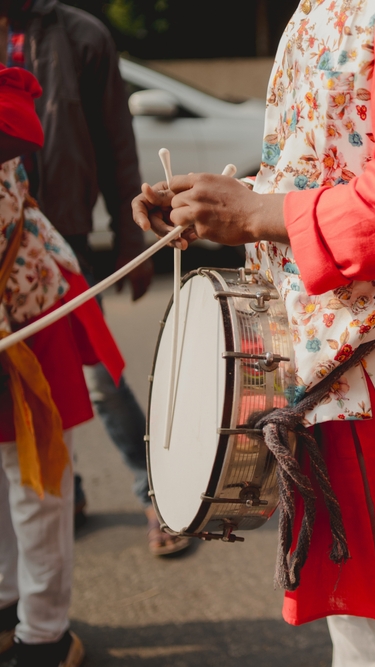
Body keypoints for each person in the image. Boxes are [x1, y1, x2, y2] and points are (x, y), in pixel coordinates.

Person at [133, 0, 375, 662]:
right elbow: (315, 164)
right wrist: (220, 205)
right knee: (367, 623)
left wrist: (257, 213)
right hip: (315, 361)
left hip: (369, 365)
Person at [2, 0, 182, 555]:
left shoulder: (80, 35)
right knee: (13, 382)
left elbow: (114, 143)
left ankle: (158, 495)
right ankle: (67, 491)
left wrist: (134, 242)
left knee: (97, 378)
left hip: (59, 242)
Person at [0, 56, 124, 667]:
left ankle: (34, 627)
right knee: (25, 488)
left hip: (24, 330)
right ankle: (22, 617)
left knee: (33, 485)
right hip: (15, 336)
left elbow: (26, 128)